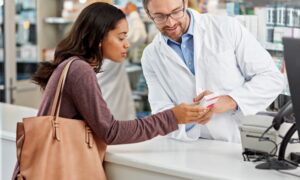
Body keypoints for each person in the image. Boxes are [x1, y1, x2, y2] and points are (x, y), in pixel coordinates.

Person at [12, 2, 207, 179]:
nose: (127, 44)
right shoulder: (80, 70)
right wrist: (172, 117)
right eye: (121, 37)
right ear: (98, 38)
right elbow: (111, 132)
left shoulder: (72, 65)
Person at [141, 0, 284, 142]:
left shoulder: (226, 28)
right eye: (160, 17)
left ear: (185, 4)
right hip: (191, 148)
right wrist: (192, 116)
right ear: (148, 13)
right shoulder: (151, 56)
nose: (171, 23)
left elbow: (272, 78)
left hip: (240, 142)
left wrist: (231, 100)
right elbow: (161, 113)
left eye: (176, 12)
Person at [97, 2, 147, 120]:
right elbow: (139, 35)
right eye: (121, 38)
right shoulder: (110, 48)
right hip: (114, 115)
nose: (126, 44)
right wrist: (133, 13)